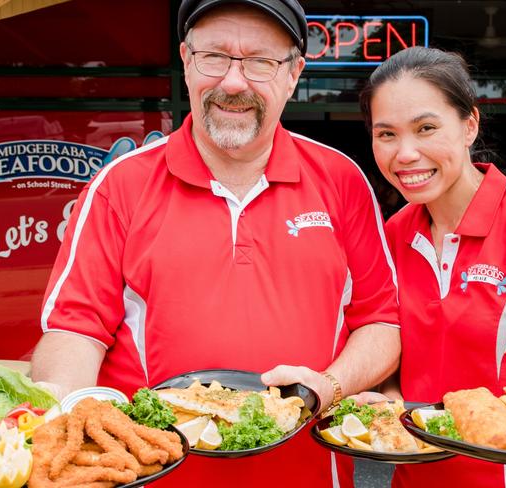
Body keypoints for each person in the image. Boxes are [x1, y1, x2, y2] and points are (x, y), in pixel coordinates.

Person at [30, 1, 401, 486]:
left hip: (306, 473)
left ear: (293, 74)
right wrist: (74, 419)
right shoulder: (120, 185)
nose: (233, 82)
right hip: (155, 473)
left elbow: (380, 321)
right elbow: (74, 330)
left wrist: (330, 385)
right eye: (215, 56)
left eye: (259, 62)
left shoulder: (342, 179)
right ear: (186, 60)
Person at [358, 46, 506, 488]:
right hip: (416, 475)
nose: (405, 153)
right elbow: (389, 353)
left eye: (426, 128)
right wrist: (388, 401)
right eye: (386, 134)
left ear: (469, 125)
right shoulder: (394, 233)